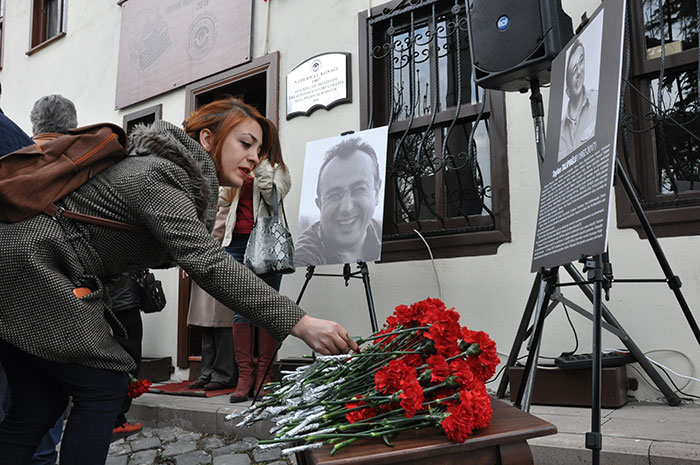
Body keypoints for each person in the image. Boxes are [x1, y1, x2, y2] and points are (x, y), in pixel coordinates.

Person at [0, 96, 358, 465]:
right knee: (104, 388)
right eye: (245, 143)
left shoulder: (169, 176)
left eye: (260, 149)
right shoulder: (159, 174)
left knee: (38, 404)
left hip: (25, 266)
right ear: (207, 139)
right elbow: (210, 263)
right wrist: (301, 322)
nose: (254, 157)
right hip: (33, 266)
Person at [295, 137, 383, 266]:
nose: (346, 208)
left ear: (377, 192)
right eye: (334, 195)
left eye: (358, 189)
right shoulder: (303, 258)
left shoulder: (386, 234)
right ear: (320, 205)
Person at [558, 39, 598, 160]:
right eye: (574, 70)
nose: (580, 72)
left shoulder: (599, 101)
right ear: (567, 86)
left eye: (581, 61)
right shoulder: (558, 134)